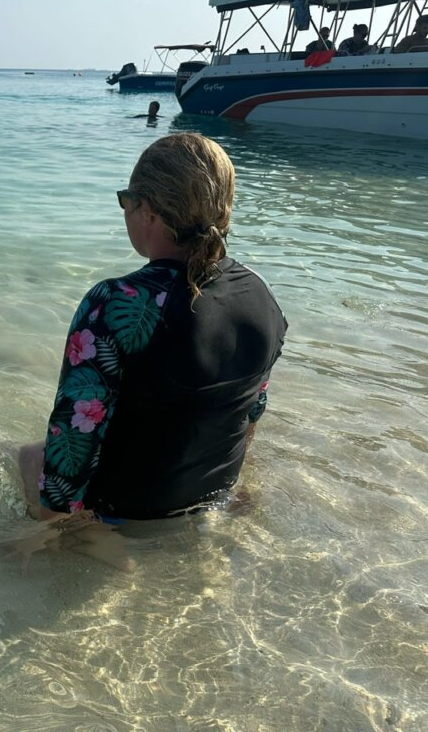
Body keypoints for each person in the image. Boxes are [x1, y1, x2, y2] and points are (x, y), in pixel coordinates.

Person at [19, 133, 287, 522]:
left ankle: (88, 541)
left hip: (125, 508)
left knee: (18, 454)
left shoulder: (115, 302)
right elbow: (251, 412)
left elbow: (72, 449)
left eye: (127, 201)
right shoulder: (262, 296)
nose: (125, 210)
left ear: (149, 212)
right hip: (210, 494)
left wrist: (46, 529)